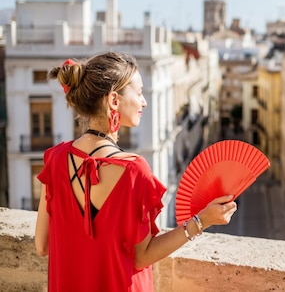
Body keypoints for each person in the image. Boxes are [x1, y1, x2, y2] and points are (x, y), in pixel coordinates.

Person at [34, 52, 237, 291]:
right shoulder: (133, 170)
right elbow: (142, 256)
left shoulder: (55, 159)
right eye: (139, 93)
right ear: (114, 101)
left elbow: (42, 245)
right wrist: (202, 220)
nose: (144, 102)